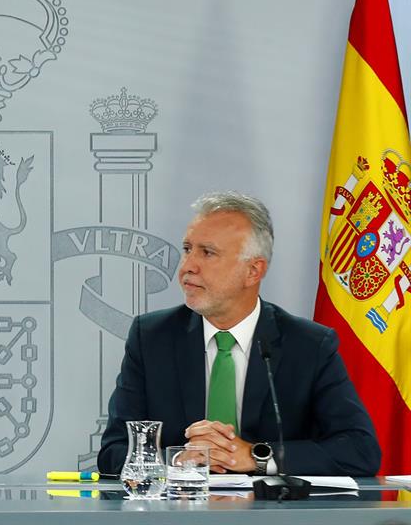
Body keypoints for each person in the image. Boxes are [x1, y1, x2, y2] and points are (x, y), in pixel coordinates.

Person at [99, 191, 380, 477]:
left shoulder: (309, 345)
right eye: (187, 249)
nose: (187, 267)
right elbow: (113, 451)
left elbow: (360, 450)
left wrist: (255, 456)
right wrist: (181, 459)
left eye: (207, 253)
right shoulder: (152, 338)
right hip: (179, 516)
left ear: (253, 271)